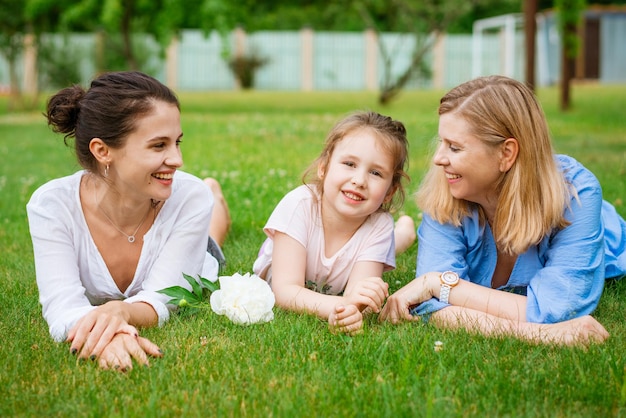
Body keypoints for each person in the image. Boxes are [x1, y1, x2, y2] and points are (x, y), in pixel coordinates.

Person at [380, 75, 626, 346]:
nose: (438, 158)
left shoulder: (576, 195)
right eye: (442, 142)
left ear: (507, 154)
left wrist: (441, 284)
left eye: (455, 147)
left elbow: (558, 308)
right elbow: (428, 306)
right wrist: (543, 335)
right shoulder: (450, 190)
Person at [26, 71, 231, 371]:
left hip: (194, 252)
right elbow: (62, 307)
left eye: (177, 142)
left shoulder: (190, 198)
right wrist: (111, 336)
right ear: (102, 150)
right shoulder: (51, 206)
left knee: (213, 236)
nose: (177, 159)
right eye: (159, 145)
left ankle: (215, 191)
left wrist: (118, 311)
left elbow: (163, 297)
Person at [252, 111, 413, 335]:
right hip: (289, 258)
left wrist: (356, 308)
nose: (359, 180)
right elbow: (285, 291)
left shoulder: (379, 225)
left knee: (390, 243)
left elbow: (361, 298)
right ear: (324, 167)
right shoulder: (299, 205)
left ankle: (404, 233)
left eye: (375, 172)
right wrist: (340, 307)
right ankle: (403, 233)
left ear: (389, 192)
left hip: (364, 248)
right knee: (391, 245)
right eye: (349, 163)